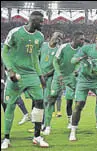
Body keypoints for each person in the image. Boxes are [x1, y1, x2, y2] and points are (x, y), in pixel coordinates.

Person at [1, 11, 49, 149]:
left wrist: (40, 76)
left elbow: (35, 58)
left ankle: (37, 136)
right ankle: (6, 138)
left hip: (32, 75)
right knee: (10, 105)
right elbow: (4, 52)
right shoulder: (15, 32)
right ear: (32, 20)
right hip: (15, 73)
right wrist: (10, 70)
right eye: (40, 21)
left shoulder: (40, 37)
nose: (42, 24)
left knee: (40, 101)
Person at [44, 31, 84, 135]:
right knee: (51, 99)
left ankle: (72, 122)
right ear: (75, 39)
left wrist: (76, 70)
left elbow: (78, 63)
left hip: (70, 77)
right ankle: (47, 126)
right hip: (59, 76)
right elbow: (55, 61)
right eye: (81, 39)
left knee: (76, 99)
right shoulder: (63, 47)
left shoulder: (81, 50)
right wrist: (59, 73)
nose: (83, 41)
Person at [39, 31, 63, 135]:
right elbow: (36, 58)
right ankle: (39, 124)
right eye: (56, 36)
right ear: (51, 36)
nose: (57, 39)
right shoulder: (43, 45)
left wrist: (46, 75)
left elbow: (56, 66)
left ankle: (47, 125)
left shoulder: (58, 50)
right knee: (38, 102)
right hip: (38, 77)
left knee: (48, 101)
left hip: (49, 79)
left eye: (59, 37)